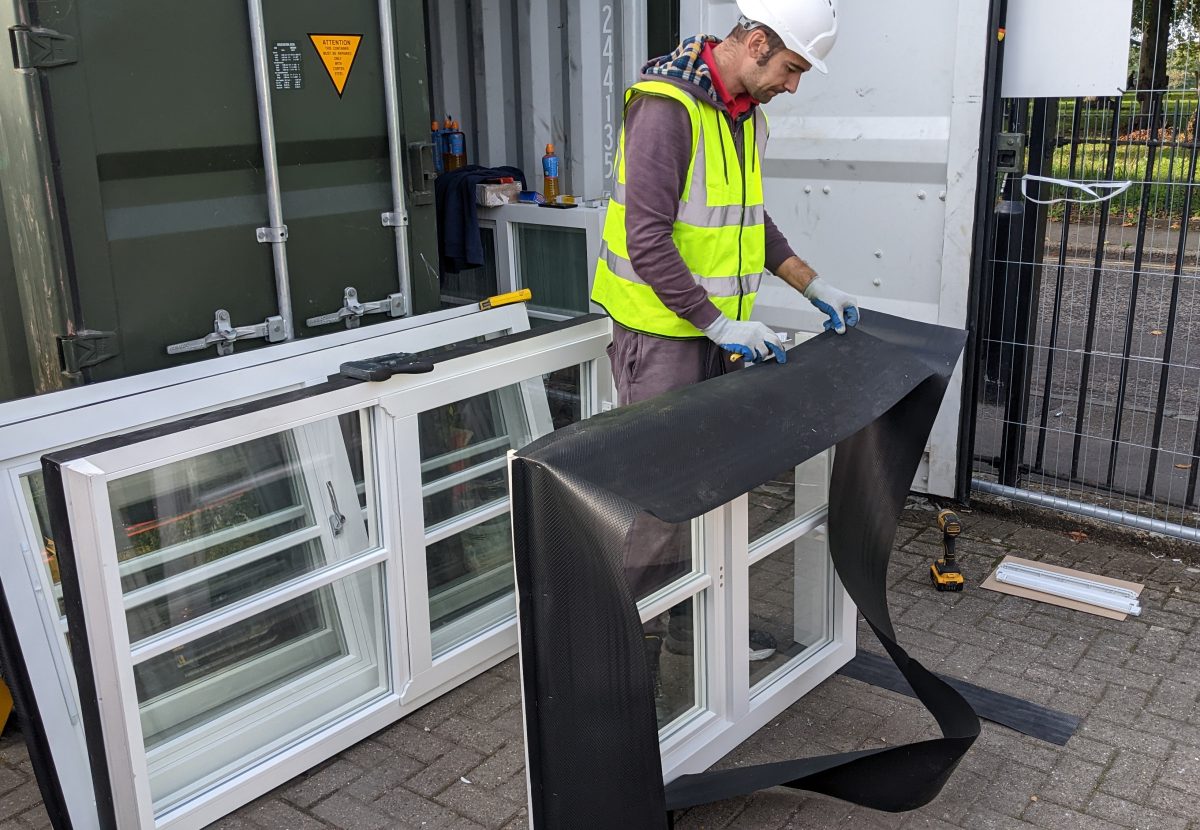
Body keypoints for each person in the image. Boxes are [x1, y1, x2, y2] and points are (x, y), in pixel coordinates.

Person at [589, 0, 859, 714]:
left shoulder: (744, 118)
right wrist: (716, 323)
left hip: (711, 336)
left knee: (706, 491)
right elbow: (647, 239)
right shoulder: (666, 109)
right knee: (657, 500)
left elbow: (747, 222)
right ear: (757, 42)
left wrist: (810, 282)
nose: (794, 86)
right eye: (792, 68)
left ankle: (694, 637)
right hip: (665, 337)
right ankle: (612, 654)